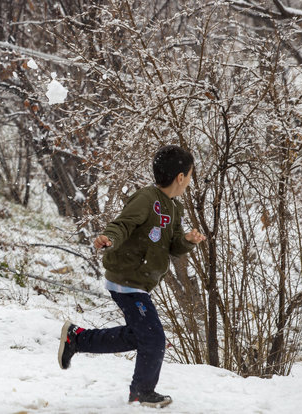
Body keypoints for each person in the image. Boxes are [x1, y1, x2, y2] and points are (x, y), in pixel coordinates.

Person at [57, 144, 206, 408]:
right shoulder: (146, 199)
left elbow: (173, 246)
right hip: (126, 280)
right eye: (190, 175)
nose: (189, 181)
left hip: (139, 282)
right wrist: (109, 238)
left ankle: (76, 338)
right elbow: (122, 224)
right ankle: (142, 392)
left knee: (140, 336)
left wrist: (187, 240)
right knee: (154, 338)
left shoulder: (175, 209)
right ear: (180, 177)